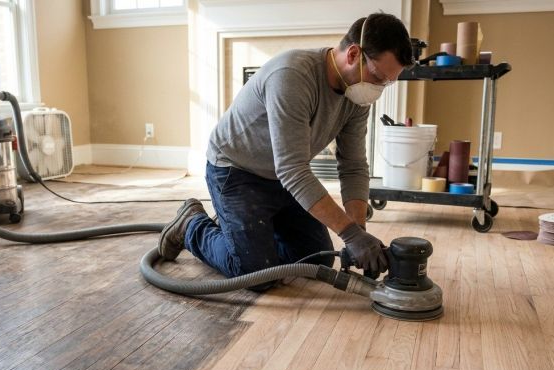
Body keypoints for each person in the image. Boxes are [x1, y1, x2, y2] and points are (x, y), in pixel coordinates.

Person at [158, 13, 414, 289]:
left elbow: (353, 166)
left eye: (386, 83)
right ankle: (192, 226)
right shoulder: (292, 76)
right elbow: (293, 169)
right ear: (353, 54)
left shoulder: (357, 94)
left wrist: (359, 232)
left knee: (315, 260)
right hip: (235, 171)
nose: (378, 89)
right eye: (377, 77)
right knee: (256, 272)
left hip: (281, 178)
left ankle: (241, 230)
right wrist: (350, 235)